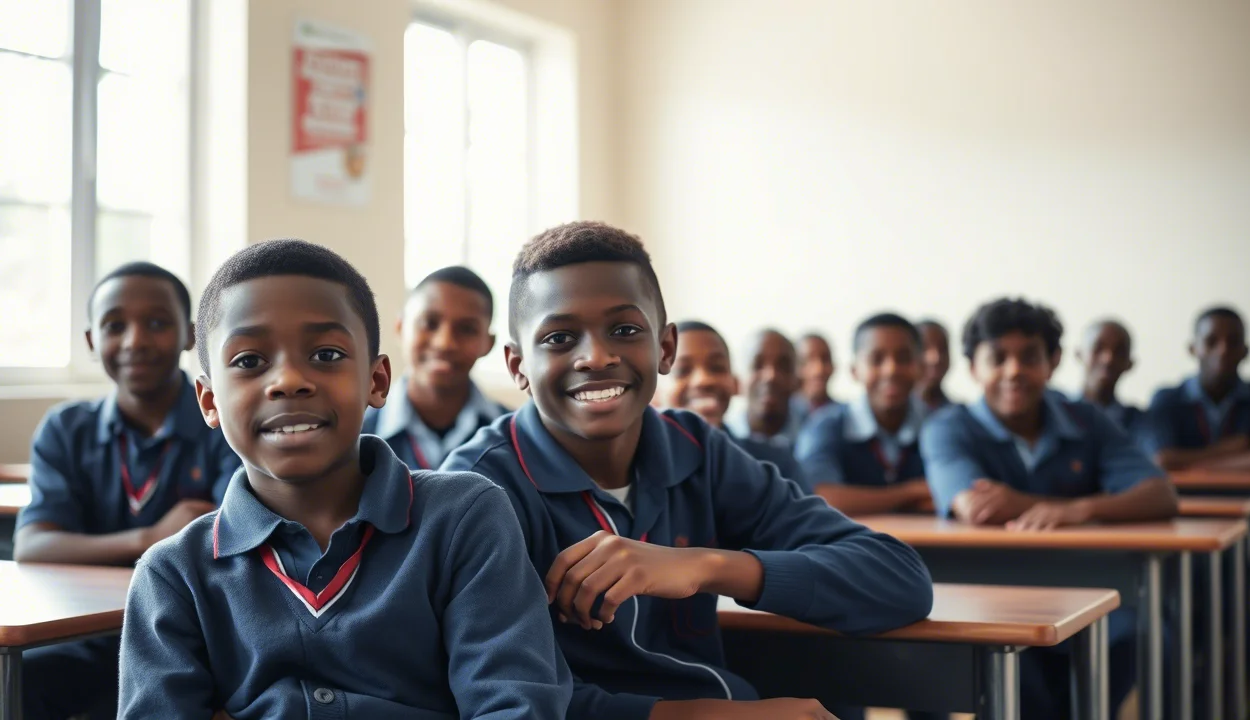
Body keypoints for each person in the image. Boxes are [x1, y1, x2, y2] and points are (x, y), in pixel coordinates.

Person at [443, 221, 933, 720]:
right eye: (560, 337)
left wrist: (705, 566)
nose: (596, 356)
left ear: (665, 347)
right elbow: (502, 700)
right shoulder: (479, 490)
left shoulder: (695, 450)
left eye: (625, 330)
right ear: (517, 365)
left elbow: (899, 579)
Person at [117, 239, 571, 718]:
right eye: (249, 361)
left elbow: (517, 706)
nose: (289, 379)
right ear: (209, 402)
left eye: (327, 354)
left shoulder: (465, 518)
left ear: (376, 381)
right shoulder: (172, 576)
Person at [921, 297, 1177, 719]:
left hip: (1090, 590)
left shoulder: (1087, 419)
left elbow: (1160, 495)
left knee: (1147, 635)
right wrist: (1081, 506)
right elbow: (977, 508)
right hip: (994, 600)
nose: (1014, 370)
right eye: (997, 358)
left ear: (1054, 361)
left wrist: (1078, 509)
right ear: (972, 367)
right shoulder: (948, 427)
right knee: (1013, 671)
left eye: (1030, 356)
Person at [15, 262, 240, 720]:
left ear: (189, 335)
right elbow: (33, 544)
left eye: (157, 323)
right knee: (22, 681)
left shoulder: (222, 420)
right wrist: (150, 536)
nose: (136, 340)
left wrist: (90, 547)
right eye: (115, 325)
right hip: (85, 640)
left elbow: (228, 542)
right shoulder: (66, 428)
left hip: (196, 634)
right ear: (92, 341)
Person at [364, 266, 507, 469]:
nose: (445, 343)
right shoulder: (355, 434)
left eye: (467, 329)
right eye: (429, 323)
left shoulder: (515, 436)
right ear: (400, 327)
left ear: (488, 343)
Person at [795, 313, 932, 515]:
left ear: (920, 367)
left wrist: (862, 500)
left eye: (903, 358)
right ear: (854, 370)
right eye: (877, 359)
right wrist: (911, 492)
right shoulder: (825, 425)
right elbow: (820, 498)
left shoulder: (939, 424)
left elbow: (956, 495)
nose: (891, 369)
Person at [661, 320, 805, 485]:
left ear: (736, 384)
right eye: (682, 370)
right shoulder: (634, 467)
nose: (703, 380)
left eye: (716, 368)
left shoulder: (774, 463)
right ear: (654, 392)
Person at [1144, 306, 1250, 471]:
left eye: (1233, 341)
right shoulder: (1167, 399)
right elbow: (1160, 460)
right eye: (1211, 341)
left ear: (1245, 351)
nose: (1223, 350)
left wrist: (1191, 465)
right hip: (1184, 497)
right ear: (1193, 349)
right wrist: (1228, 450)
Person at [1076, 318, 1143, 433]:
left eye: (1119, 352)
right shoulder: (1055, 413)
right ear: (1080, 355)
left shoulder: (1139, 423)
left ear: (1130, 364)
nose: (1108, 359)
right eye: (1098, 348)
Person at [915, 320, 953, 414]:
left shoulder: (958, 415)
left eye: (942, 349)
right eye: (925, 348)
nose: (936, 358)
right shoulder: (894, 412)